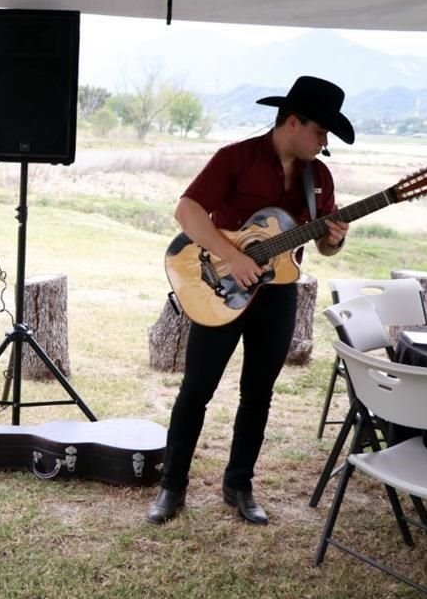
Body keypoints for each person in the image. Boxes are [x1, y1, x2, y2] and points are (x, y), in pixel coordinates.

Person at [147, 76, 351, 526]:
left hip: (278, 297)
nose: (324, 141)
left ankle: (238, 483)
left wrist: (335, 239)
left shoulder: (320, 178)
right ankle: (172, 486)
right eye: (320, 131)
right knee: (195, 392)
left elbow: (324, 248)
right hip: (221, 290)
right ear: (293, 121)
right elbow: (187, 211)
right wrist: (234, 257)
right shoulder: (236, 157)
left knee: (258, 395)